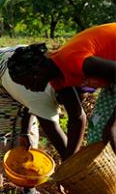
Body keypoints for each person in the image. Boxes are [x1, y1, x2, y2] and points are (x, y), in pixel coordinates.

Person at [7, 23, 116, 155]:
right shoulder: (57, 78)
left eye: (26, 83)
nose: (27, 88)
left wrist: (112, 124)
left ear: (36, 70)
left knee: (110, 131)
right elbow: (76, 117)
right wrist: (69, 163)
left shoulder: (72, 61)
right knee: (98, 132)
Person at [0, 46, 74, 194]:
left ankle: (29, 183)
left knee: (30, 134)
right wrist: (72, 171)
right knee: (0, 128)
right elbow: (58, 137)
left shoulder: (67, 84)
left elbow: (31, 107)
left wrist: (25, 132)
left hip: (28, 74)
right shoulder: (36, 92)